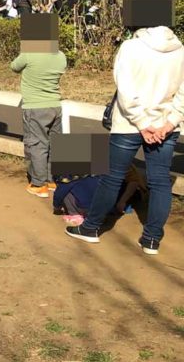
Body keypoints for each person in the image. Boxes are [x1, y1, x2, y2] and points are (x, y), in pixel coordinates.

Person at [66, 24, 184, 256]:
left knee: (111, 178)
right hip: (165, 126)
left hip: (129, 124)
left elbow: (126, 90)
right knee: (160, 182)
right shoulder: (180, 50)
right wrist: (169, 122)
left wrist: (142, 122)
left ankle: (91, 228)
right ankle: (151, 240)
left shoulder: (130, 47)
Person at [10, 40, 67, 197]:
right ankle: (51, 180)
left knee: (37, 145)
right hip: (55, 105)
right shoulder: (61, 56)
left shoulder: (29, 54)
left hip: (35, 107)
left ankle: (38, 183)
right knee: (54, 145)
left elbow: (14, 67)